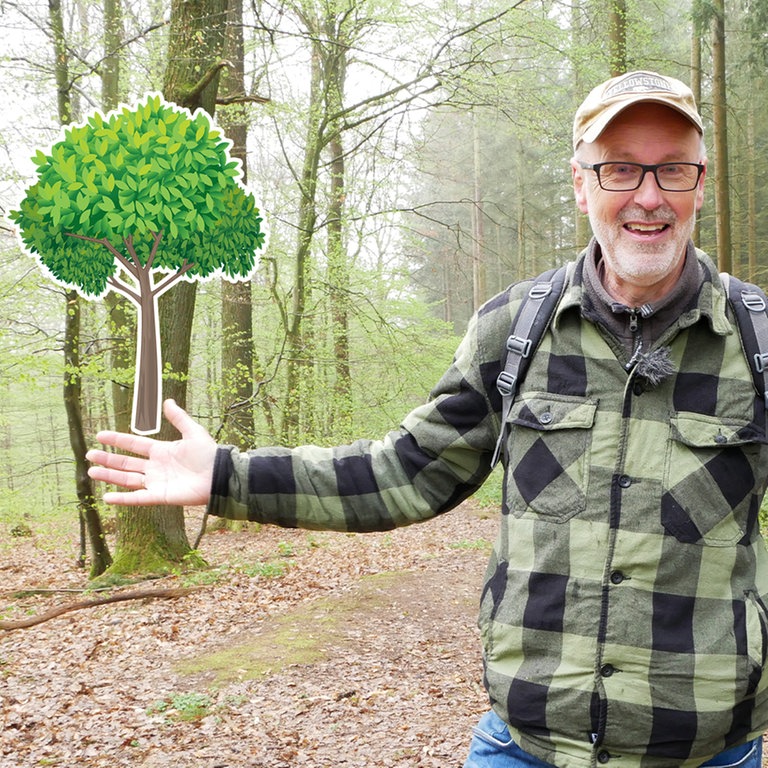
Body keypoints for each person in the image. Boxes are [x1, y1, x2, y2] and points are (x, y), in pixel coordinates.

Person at [86, 70, 768, 768]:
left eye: (672, 170)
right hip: (524, 747)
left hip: (708, 751)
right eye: (620, 169)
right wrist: (228, 475)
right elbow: (404, 471)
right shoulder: (516, 328)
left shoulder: (757, 344)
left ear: (701, 182)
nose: (648, 197)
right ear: (580, 182)